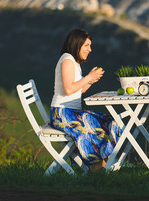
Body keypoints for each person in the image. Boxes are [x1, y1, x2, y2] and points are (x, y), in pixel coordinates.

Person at [50, 28, 122, 171]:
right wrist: (88, 78)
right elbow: (68, 89)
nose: (90, 49)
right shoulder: (67, 60)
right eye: (86, 46)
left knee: (110, 120)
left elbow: (79, 90)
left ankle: (104, 163)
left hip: (71, 111)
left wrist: (90, 80)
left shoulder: (74, 63)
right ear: (77, 44)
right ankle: (97, 166)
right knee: (97, 125)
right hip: (62, 114)